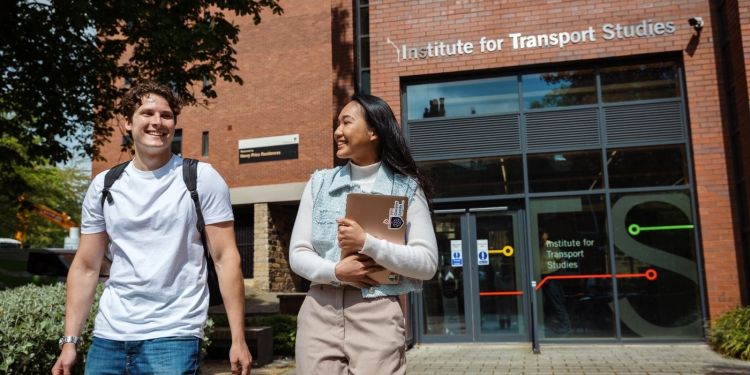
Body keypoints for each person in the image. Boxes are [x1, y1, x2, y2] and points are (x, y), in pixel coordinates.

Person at [52, 81, 251, 375]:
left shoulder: (201, 179)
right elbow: (85, 267)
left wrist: (238, 338)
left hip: (175, 336)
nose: (157, 122)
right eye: (147, 113)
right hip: (109, 337)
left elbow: (226, 259)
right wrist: (70, 342)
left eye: (166, 115)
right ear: (128, 123)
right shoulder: (104, 185)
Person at [289, 94, 438, 374]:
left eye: (346, 122)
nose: (337, 132)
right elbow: (298, 254)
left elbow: (427, 263)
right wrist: (336, 271)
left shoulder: (407, 189)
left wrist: (367, 243)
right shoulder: (319, 183)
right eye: (337, 124)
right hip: (319, 310)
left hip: (378, 310)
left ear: (373, 132)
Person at [539, 230, 571, 335]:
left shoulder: (551, 245)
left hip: (552, 275)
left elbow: (560, 260)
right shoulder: (534, 245)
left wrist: (559, 274)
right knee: (543, 302)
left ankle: (565, 325)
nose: (543, 237)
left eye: (544, 235)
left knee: (556, 301)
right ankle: (547, 325)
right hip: (539, 276)